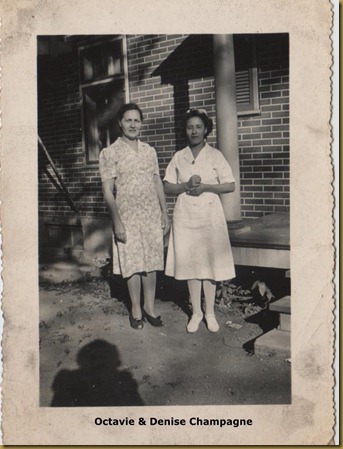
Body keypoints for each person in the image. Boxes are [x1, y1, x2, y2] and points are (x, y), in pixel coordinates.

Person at [164, 108, 236, 333]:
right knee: (191, 264)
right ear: (185, 130)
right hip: (185, 216)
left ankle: (210, 313)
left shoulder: (215, 155)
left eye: (198, 127)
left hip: (210, 216)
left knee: (209, 263)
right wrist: (185, 186)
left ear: (206, 129)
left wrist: (205, 186)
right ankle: (195, 313)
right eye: (189, 127)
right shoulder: (179, 156)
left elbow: (230, 185)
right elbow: (167, 186)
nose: (193, 131)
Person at [99, 103, 170, 330]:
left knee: (151, 261)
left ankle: (150, 308)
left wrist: (164, 213)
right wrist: (117, 220)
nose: (132, 124)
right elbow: (107, 191)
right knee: (133, 262)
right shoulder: (110, 153)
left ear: (141, 123)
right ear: (120, 123)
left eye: (137, 120)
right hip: (127, 216)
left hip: (150, 214)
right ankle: (136, 309)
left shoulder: (150, 151)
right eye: (128, 120)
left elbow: (157, 181)